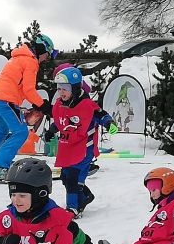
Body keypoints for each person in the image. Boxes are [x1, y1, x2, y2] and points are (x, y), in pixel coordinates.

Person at [0, 34, 58, 178]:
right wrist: (45, 106)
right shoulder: (31, 62)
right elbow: (29, 90)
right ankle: (0, 166)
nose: (46, 58)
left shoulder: (18, 57)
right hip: (6, 100)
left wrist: (39, 104)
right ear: (42, 49)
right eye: (47, 54)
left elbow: (23, 89)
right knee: (21, 132)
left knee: (2, 129)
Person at [44, 67, 118, 218]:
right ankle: (84, 197)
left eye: (65, 88)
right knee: (65, 177)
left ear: (76, 88)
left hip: (84, 149)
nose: (61, 92)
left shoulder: (86, 105)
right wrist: (51, 131)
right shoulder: (60, 104)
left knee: (72, 177)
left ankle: (73, 208)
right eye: (59, 89)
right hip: (67, 147)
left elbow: (101, 115)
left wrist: (109, 124)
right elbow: (61, 121)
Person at [52, 63, 100, 176]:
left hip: (80, 101)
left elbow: (86, 89)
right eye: (59, 87)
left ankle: (87, 161)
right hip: (71, 102)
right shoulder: (62, 94)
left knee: (82, 128)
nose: (60, 90)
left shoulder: (72, 77)